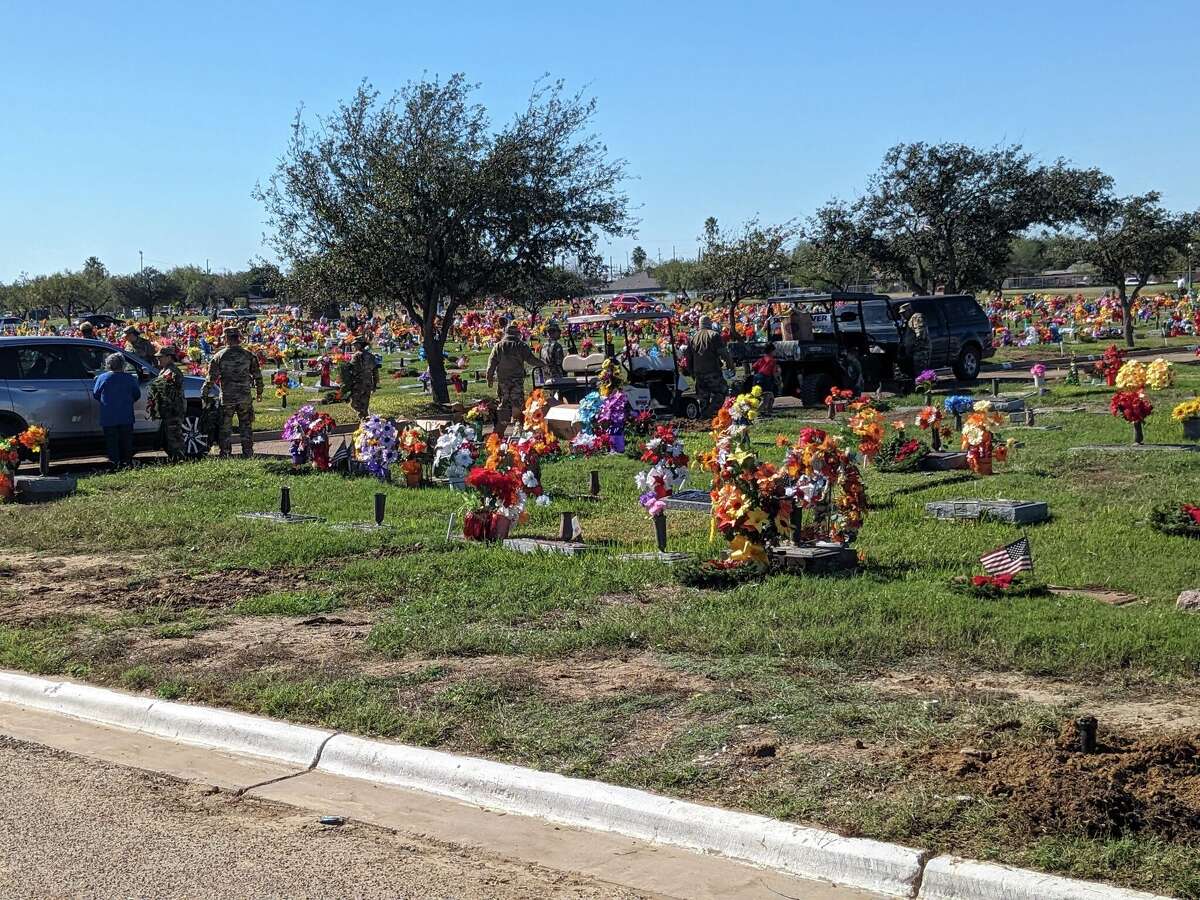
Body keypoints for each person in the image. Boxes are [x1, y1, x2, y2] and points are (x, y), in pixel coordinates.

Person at [202, 327, 263, 458]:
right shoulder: (248, 355)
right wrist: (259, 392)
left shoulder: (219, 356)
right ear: (238, 338)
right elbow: (258, 376)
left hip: (227, 398)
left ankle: (225, 453)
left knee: (225, 428)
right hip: (244, 397)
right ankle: (248, 452)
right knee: (246, 426)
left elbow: (211, 378)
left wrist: (205, 392)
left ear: (226, 339)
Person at [486, 324, 540, 431]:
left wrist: (489, 379)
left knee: (504, 403)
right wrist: (543, 364)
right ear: (517, 334)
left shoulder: (498, 346)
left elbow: (491, 364)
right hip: (517, 381)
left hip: (503, 381)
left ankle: (500, 428)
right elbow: (531, 360)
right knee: (518, 404)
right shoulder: (521, 345)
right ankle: (520, 427)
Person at [91, 353, 141, 468]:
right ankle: (126, 462)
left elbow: (96, 394)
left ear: (108, 365)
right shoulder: (130, 378)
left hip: (108, 416)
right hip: (126, 415)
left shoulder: (102, 378)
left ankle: (114, 464)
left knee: (111, 442)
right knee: (126, 441)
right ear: (123, 365)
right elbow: (136, 394)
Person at [686, 315, 733, 417]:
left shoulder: (693, 338)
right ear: (710, 323)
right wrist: (730, 365)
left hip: (698, 373)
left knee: (703, 397)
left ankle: (705, 416)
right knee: (722, 391)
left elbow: (688, 358)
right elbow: (724, 353)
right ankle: (711, 411)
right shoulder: (714, 335)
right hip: (712, 371)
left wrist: (691, 372)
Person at [150, 346, 187, 461]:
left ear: (169, 357)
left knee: (175, 435)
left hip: (173, 409)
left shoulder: (173, 371)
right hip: (167, 409)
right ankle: (174, 458)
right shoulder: (165, 370)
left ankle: (179, 459)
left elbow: (175, 389)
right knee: (169, 435)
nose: (158, 359)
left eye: (160, 357)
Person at [347, 337, 379, 420]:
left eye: (354, 345)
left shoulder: (356, 355)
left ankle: (363, 417)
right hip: (368, 382)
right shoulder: (371, 356)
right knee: (365, 402)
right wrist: (375, 383)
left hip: (358, 382)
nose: (353, 347)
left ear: (359, 345)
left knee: (354, 403)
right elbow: (375, 370)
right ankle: (365, 418)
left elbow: (351, 368)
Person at [898, 302, 931, 379]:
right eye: (901, 314)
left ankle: (924, 386)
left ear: (909, 311)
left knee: (921, 372)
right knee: (915, 373)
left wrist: (915, 346)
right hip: (913, 352)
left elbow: (921, 334)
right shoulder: (908, 321)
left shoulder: (916, 317)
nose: (902, 315)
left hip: (920, 351)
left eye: (904, 313)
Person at [751, 342, 781, 414]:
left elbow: (754, 367)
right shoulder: (772, 360)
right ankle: (755, 413)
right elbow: (773, 373)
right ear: (771, 351)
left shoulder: (761, 359)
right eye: (774, 351)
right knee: (766, 399)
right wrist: (778, 381)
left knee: (771, 397)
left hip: (757, 377)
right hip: (765, 379)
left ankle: (769, 412)